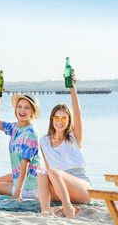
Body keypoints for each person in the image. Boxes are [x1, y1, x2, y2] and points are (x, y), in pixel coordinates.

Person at [38, 71, 92, 217]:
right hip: (59, 186)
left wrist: (72, 87)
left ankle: (68, 208)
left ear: (69, 121)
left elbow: (78, 112)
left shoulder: (74, 138)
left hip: (81, 186)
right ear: (52, 119)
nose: (60, 121)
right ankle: (46, 209)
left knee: (53, 172)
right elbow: (49, 169)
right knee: (43, 175)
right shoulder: (43, 141)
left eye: (64, 118)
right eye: (56, 117)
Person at [0, 90, 45, 200]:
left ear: (33, 112)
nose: (22, 110)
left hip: (30, 185)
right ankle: (17, 187)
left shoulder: (31, 133)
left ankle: (19, 190)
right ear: (15, 109)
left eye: (27, 107)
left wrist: (18, 192)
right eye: (19, 106)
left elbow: (25, 164)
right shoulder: (15, 128)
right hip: (22, 177)